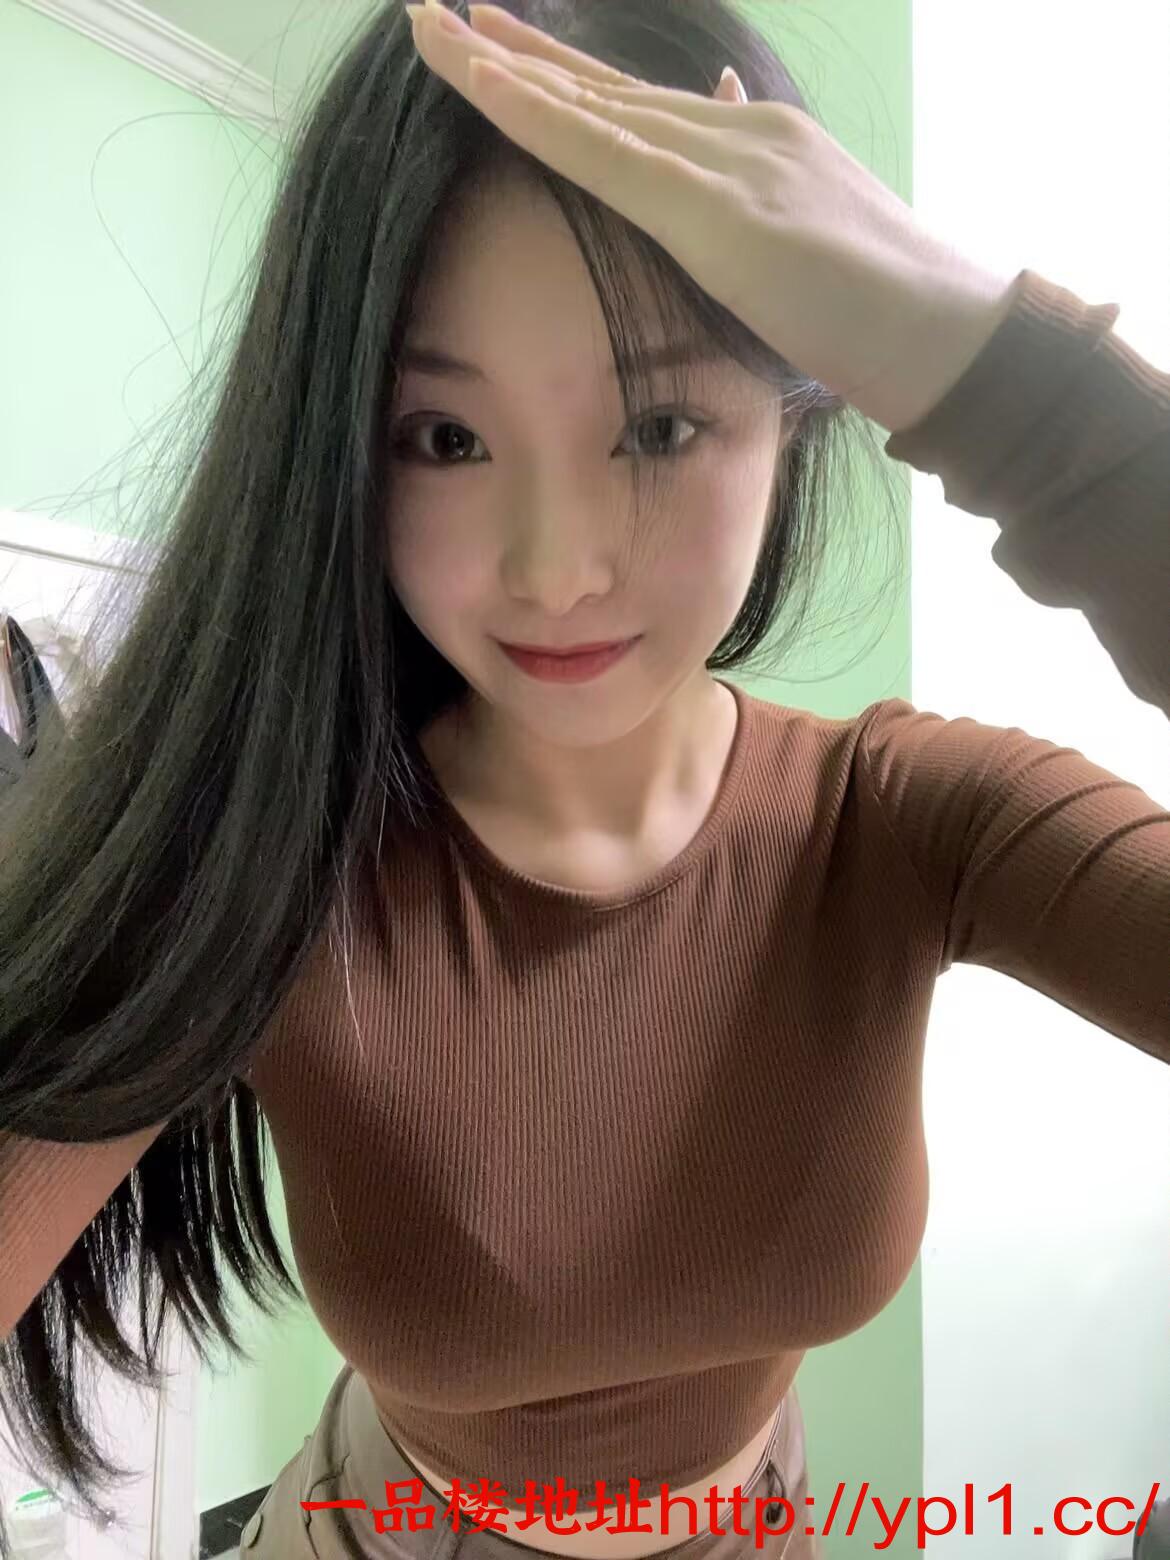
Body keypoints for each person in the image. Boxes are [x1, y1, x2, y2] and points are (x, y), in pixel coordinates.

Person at [1, 1, 1167, 1557]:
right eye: (441, 437)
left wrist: (991, 366)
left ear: (794, 423)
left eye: (660, 423)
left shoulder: (913, 823)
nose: (555, 571)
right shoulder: (258, 866)